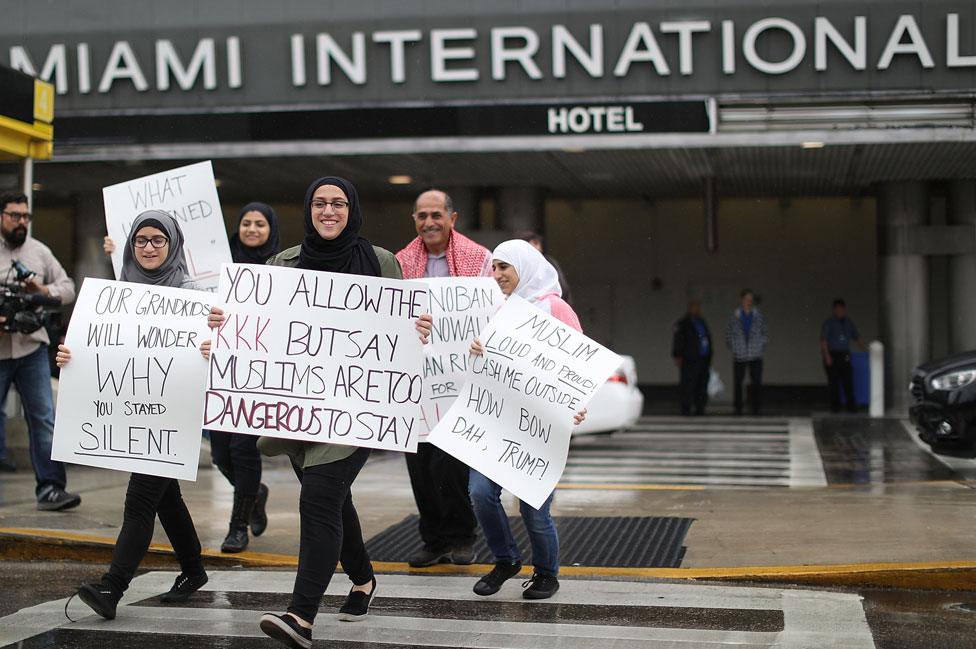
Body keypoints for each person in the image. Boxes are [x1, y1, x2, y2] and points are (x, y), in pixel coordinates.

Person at [205, 177, 431, 649]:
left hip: (357, 410)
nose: (329, 211)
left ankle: (301, 616)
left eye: (339, 203)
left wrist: (419, 328)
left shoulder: (382, 263)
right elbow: (256, 328)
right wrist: (225, 327)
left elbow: (403, 334)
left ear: (352, 209)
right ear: (308, 210)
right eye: (320, 203)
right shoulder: (283, 265)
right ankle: (364, 579)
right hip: (299, 410)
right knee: (330, 496)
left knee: (321, 496)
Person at [58, 211, 209, 620]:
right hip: (135, 413)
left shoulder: (195, 295)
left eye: (158, 240)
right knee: (166, 498)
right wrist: (72, 357)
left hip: (172, 413)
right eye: (140, 240)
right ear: (130, 247)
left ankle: (113, 586)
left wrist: (214, 345)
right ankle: (194, 571)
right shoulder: (116, 294)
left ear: (173, 244)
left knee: (140, 498)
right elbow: (97, 348)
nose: (148, 248)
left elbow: (223, 350)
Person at [106, 202, 282, 553]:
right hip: (210, 374)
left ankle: (238, 526)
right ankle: (248, 499)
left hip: (251, 370)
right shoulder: (219, 265)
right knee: (221, 454)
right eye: (245, 222)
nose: (251, 229)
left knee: (243, 449)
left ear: (270, 229)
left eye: (259, 224)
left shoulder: (282, 266)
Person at [467, 239, 586, 601]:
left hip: (540, 427)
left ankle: (547, 574)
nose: (497, 274)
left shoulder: (554, 308)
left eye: (505, 266)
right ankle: (506, 559)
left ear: (525, 266)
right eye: (494, 267)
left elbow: (578, 363)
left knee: (534, 508)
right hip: (497, 420)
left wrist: (575, 402)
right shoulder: (495, 309)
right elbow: (486, 367)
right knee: (480, 493)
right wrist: (475, 352)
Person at [395, 189, 490, 569]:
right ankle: (432, 540)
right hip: (417, 382)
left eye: (436, 214)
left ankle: (462, 536)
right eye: (421, 216)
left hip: (460, 381)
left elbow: (491, 310)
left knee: (450, 466)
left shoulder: (479, 260)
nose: (428, 222)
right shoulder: (400, 263)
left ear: (453, 218)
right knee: (418, 465)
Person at [0, 192, 78, 508]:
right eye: (15, 215)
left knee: (44, 418)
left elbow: (69, 287)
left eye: (26, 217)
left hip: (32, 348)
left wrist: (43, 291)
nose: (21, 222)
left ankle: (51, 488)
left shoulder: (39, 252)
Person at [724, 289, 768, 416]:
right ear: (742, 300)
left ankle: (756, 408)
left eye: (751, 299)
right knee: (738, 381)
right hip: (740, 353)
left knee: (756, 381)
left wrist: (760, 346)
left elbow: (765, 333)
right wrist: (734, 347)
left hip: (755, 353)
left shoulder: (759, 316)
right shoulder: (735, 317)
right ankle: (738, 408)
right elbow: (728, 334)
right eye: (746, 299)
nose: (749, 302)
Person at [821, 298, 865, 413]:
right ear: (834, 310)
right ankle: (835, 407)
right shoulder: (829, 323)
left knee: (848, 381)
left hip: (844, 354)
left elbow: (856, 337)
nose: (840, 311)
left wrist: (866, 350)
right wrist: (827, 356)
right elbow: (823, 340)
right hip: (832, 354)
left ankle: (851, 406)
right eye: (838, 309)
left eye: (842, 309)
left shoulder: (848, 322)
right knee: (834, 382)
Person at [672, 300, 712, 416]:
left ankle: (700, 408)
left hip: (703, 359)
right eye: (694, 307)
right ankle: (686, 408)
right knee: (688, 384)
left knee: (702, 384)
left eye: (697, 307)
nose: (696, 310)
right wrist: (677, 355)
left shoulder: (702, 322)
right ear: (689, 309)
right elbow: (678, 340)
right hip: (689, 359)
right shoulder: (683, 323)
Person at [517, 230, 572, 306]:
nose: (537, 247)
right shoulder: (515, 265)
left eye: (537, 243)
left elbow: (563, 288)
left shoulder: (549, 262)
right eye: (534, 243)